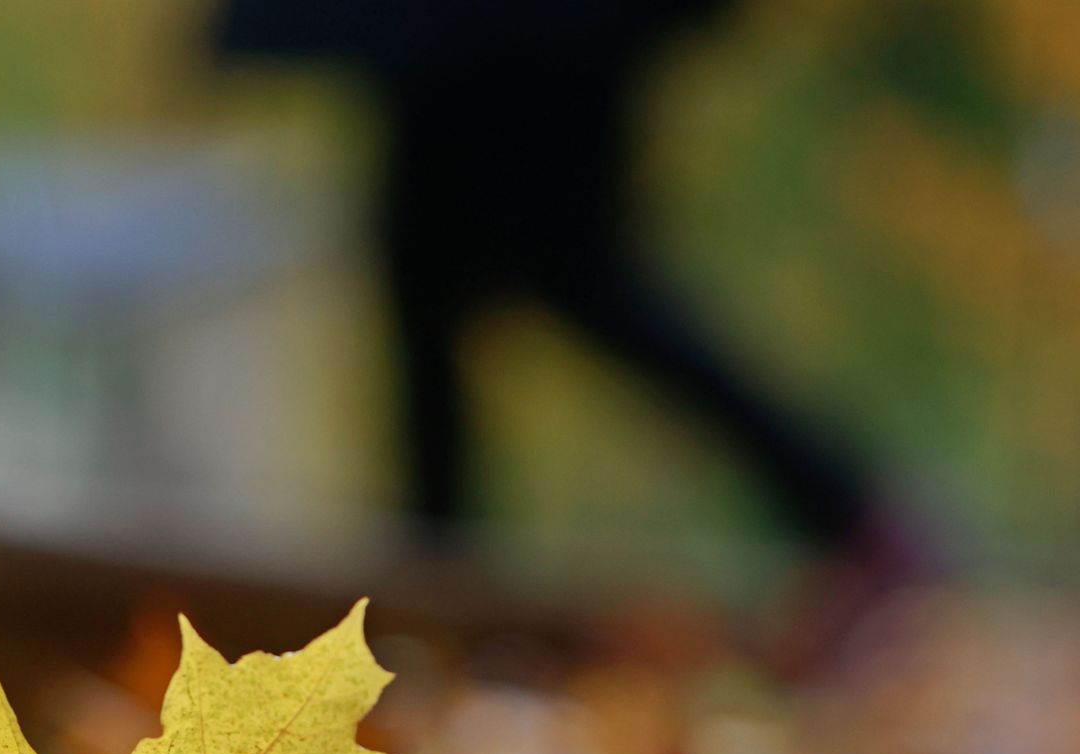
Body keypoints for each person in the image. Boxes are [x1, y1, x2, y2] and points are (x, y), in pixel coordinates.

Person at [213, 0, 907, 573]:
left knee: (577, 284)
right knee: (439, 296)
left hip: (534, 46)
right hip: (466, 51)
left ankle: (851, 513)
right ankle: (433, 571)